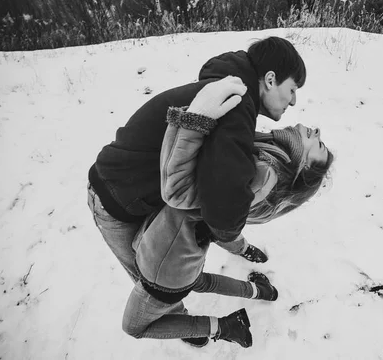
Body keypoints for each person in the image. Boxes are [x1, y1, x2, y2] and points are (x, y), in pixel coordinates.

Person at [121, 77, 334, 348]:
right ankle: (261, 291)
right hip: (183, 254)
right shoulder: (269, 164)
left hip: (164, 267)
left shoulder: (263, 173)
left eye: (319, 144)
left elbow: (177, 192)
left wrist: (194, 120)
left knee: (134, 327)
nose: (316, 131)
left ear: (304, 165)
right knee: (201, 282)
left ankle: (223, 327)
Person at [87, 37, 307, 282]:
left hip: (128, 186)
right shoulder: (236, 102)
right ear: (270, 79)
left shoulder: (228, 89)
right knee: (154, 288)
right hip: (116, 198)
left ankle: (238, 250)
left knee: (162, 272)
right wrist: (235, 226)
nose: (294, 101)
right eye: (292, 90)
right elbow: (223, 202)